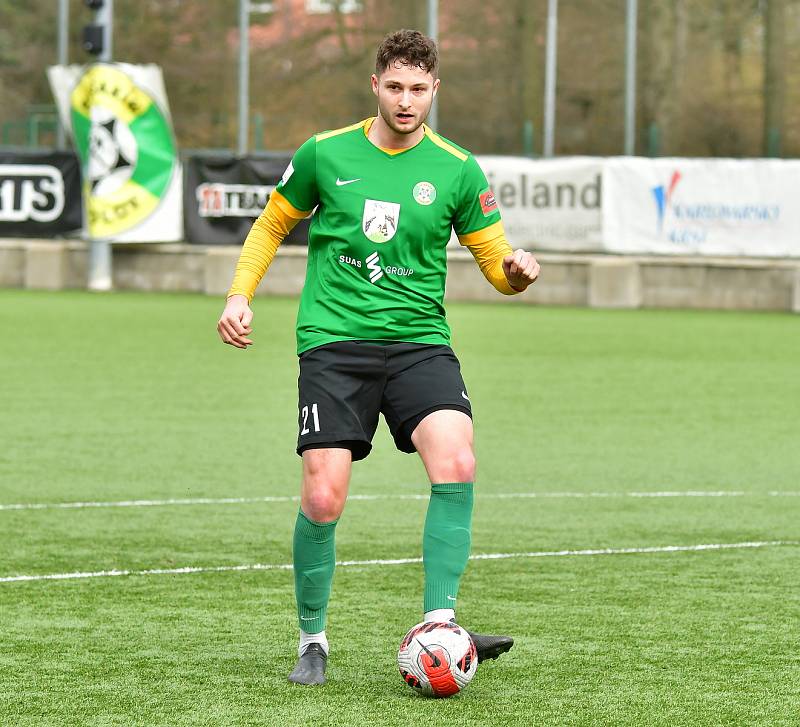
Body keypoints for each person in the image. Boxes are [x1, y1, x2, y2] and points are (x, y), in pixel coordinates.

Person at [217, 29, 540, 686]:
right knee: (324, 495)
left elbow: (495, 266)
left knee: (458, 459)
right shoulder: (325, 153)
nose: (405, 100)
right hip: (334, 343)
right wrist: (239, 294)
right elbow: (272, 224)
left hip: (419, 341)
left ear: (434, 91)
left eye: (418, 89)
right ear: (376, 85)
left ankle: (441, 624)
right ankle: (313, 637)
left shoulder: (457, 167)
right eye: (394, 86)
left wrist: (517, 274)